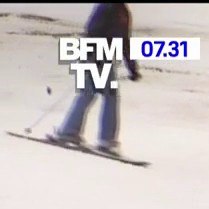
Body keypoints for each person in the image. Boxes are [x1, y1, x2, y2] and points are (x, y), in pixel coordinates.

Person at [47, 3, 141, 156]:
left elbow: (124, 42)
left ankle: (71, 132)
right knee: (100, 95)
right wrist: (93, 55)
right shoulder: (108, 7)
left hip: (102, 57)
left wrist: (132, 67)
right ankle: (99, 139)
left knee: (96, 95)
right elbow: (92, 31)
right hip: (94, 55)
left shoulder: (122, 11)